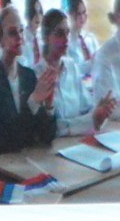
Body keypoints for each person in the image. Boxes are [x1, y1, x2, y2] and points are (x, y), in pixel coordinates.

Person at [0, 6, 61, 160]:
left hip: (26, 161)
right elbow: (5, 139)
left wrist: (49, 106)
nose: (19, 37)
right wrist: (34, 100)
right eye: (12, 33)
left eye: (21, 30)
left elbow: (47, 137)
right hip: (0, 163)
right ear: (0, 39)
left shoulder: (29, 76)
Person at [36, 8, 112, 136]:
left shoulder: (71, 67)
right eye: (60, 34)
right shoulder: (37, 75)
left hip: (77, 140)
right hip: (53, 145)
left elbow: (87, 108)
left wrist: (99, 112)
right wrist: (89, 121)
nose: (66, 40)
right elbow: (53, 127)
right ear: (46, 37)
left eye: (67, 33)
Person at [64, 0, 99, 66]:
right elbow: (72, 69)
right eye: (78, 14)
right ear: (70, 13)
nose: (82, 17)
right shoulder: (66, 42)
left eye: (84, 12)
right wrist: (91, 62)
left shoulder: (91, 38)